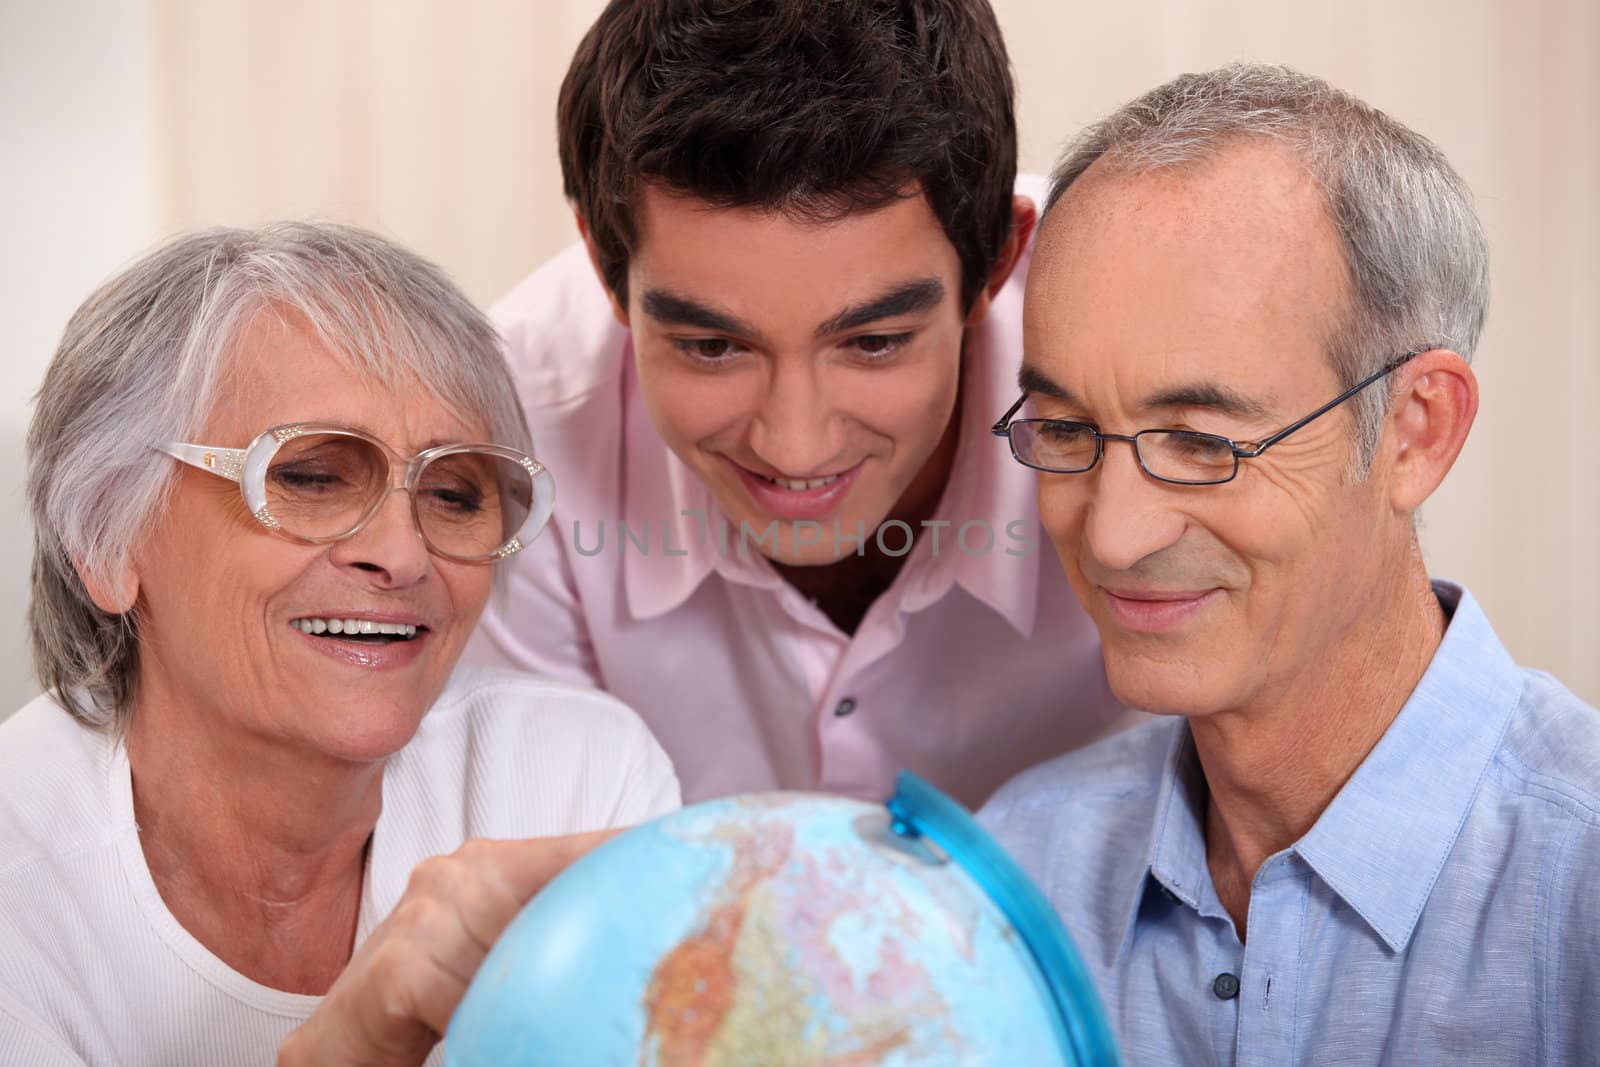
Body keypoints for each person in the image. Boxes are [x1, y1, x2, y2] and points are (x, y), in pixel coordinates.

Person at [980, 64, 1600, 1063]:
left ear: (1414, 431)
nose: (1110, 536)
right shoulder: (1017, 869)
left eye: (1199, 441)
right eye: (1063, 426)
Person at [0, 223, 679, 1067]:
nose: (401, 553)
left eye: (454, 492)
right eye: (312, 477)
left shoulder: (574, 775)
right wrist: (351, 1045)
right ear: (106, 540)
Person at [469, 0, 1132, 807]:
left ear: (996, 262)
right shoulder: (508, 434)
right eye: (714, 347)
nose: (795, 446)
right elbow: (547, 859)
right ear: (608, 271)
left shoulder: (1148, 358)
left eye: (875, 342)